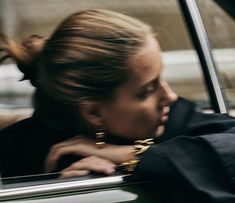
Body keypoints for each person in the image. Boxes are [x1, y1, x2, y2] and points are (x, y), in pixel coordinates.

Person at [0, 9, 234, 202]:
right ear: (93, 112)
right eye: (147, 90)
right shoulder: (15, 151)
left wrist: (129, 155)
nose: (170, 96)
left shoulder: (172, 116)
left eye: (161, 78)